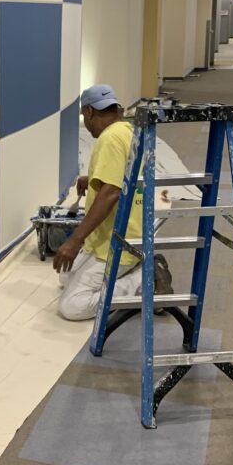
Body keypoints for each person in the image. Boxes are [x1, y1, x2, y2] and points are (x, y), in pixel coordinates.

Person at [52, 84, 172, 321]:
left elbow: (111, 193)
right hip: (122, 233)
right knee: (65, 276)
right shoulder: (127, 130)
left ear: (89, 111)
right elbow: (122, 176)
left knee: (72, 306)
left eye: (84, 116)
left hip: (120, 241)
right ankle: (140, 268)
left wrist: (75, 240)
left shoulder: (109, 139)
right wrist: (93, 178)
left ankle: (142, 282)